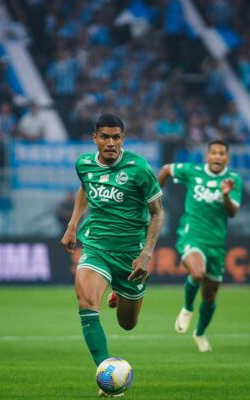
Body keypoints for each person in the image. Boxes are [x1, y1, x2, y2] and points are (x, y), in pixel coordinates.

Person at [60, 114, 164, 397]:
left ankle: (119, 291)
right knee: (86, 301)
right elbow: (85, 188)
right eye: (104, 137)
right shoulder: (83, 163)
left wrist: (146, 254)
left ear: (123, 139)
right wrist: (72, 227)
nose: (110, 143)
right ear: (94, 138)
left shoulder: (139, 168)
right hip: (96, 247)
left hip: (131, 257)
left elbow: (158, 213)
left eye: (116, 137)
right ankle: (106, 372)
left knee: (128, 324)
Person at [157, 140, 242, 352]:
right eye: (213, 153)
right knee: (197, 273)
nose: (217, 157)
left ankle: (200, 333)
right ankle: (187, 308)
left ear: (227, 158)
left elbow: (232, 213)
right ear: (207, 156)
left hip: (215, 244)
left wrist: (225, 195)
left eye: (221, 153)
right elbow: (166, 169)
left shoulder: (233, 180)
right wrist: (154, 198)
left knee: (210, 295)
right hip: (190, 235)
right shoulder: (193, 171)